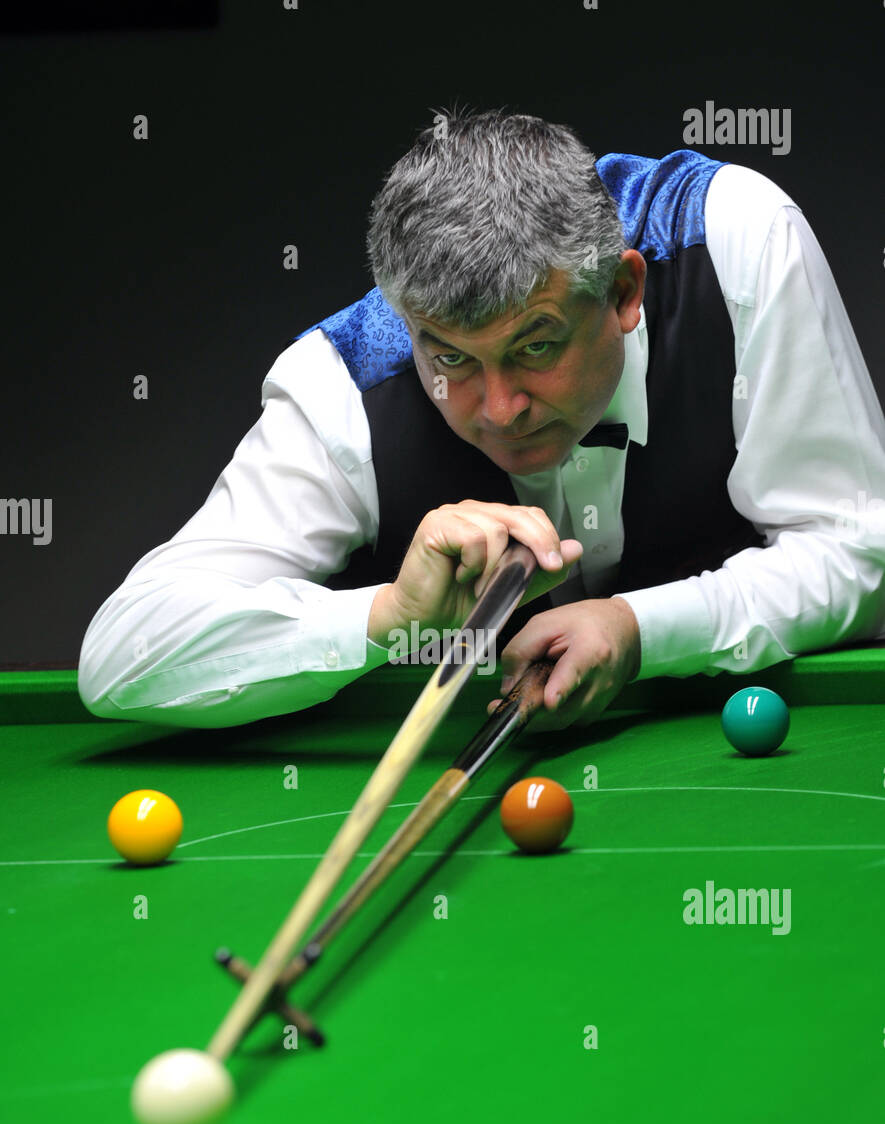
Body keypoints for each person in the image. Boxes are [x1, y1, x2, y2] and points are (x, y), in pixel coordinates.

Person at [78, 111, 885, 730]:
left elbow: (859, 548)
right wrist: (386, 615)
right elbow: (122, 654)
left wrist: (640, 627)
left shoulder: (731, 239)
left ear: (623, 293)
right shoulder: (340, 386)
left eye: (536, 345)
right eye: (451, 359)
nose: (499, 408)